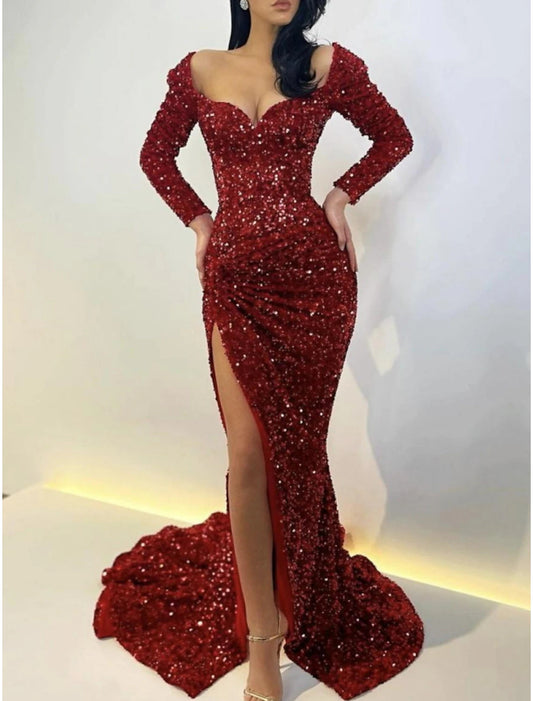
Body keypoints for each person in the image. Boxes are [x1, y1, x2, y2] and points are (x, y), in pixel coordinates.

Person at [93, 1, 425, 699]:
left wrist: (340, 197)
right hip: (235, 278)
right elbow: (155, 156)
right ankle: (264, 644)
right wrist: (199, 221)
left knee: (296, 451)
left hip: (314, 280)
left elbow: (394, 137)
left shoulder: (326, 66)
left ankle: (302, 591)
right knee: (247, 454)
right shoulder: (198, 70)